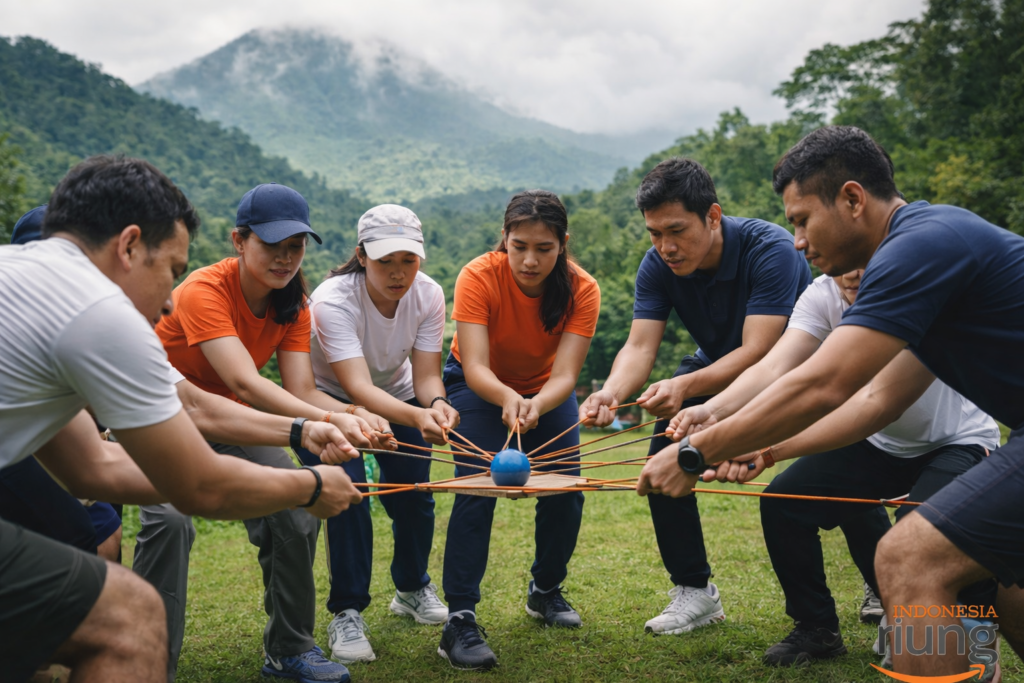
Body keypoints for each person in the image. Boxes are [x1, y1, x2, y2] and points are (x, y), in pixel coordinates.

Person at [638, 126, 1024, 677]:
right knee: (997, 576)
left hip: (964, 445)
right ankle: (821, 630)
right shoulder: (921, 249)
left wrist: (695, 452)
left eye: (801, 219)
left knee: (908, 556)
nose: (796, 240)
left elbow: (828, 385)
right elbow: (866, 395)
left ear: (851, 198)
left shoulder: (919, 248)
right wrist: (723, 417)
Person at [0, 155, 363, 683]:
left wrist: (302, 433)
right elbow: (197, 462)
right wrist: (308, 484)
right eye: (170, 270)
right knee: (128, 616)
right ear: (128, 246)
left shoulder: (23, 277)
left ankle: (291, 647)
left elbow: (94, 465)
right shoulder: (98, 312)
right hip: (178, 433)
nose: (171, 302)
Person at [671, 268, 1000, 668]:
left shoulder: (915, 285)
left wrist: (769, 448)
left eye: (862, 260)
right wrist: (711, 410)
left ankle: (974, 639)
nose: (851, 272)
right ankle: (817, 629)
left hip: (957, 441)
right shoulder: (821, 296)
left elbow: (874, 405)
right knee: (785, 502)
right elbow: (775, 368)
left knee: (925, 535)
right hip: (878, 443)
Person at [152, 182, 391, 683]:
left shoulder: (293, 305)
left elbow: (302, 388)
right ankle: (152, 663)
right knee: (170, 525)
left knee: (297, 511)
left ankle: (290, 649)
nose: (285, 259)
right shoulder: (203, 290)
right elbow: (245, 380)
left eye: (296, 247)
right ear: (239, 241)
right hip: (161, 421)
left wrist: (350, 414)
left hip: (238, 424)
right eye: (272, 246)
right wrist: (320, 422)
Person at [577, 157, 811, 635]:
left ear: (713, 216)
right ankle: (694, 590)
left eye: (676, 230)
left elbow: (760, 352)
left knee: (841, 462)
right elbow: (640, 346)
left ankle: (876, 585)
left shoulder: (771, 249)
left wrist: (683, 385)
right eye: (654, 233)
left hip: (797, 368)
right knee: (662, 458)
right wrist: (612, 393)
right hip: (715, 365)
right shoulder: (657, 266)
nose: (665, 246)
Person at [436, 190, 600, 670]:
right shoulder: (477, 276)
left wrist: (536, 403)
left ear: (563, 244)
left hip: (548, 392)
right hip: (478, 387)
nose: (529, 260)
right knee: (477, 489)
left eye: (544, 249)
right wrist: (509, 399)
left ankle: (545, 590)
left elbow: (567, 376)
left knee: (566, 491)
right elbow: (477, 367)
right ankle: (459, 619)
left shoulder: (581, 288)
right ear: (503, 239)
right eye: (519, 246)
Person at [295, 204, 458, 664]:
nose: (398, 273)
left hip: (399, 396)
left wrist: (437, 404)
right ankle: (347, 610)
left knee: (413, 495)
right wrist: (412, 417)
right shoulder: (332, 300)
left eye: (408, 260)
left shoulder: (428, 294)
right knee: (347, 494)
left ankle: (410, 589)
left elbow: (426, 376)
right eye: (385, 261)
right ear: (362, 256)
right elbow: (357, 387)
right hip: (329, 401)